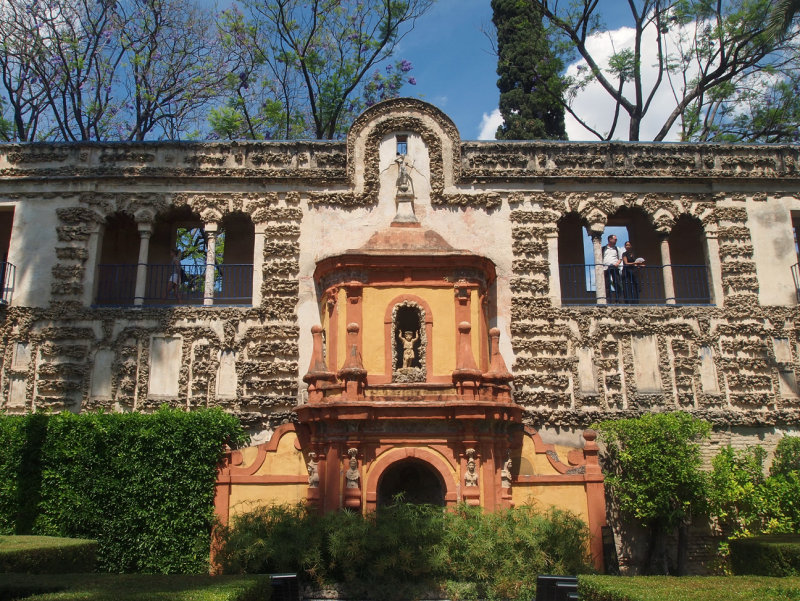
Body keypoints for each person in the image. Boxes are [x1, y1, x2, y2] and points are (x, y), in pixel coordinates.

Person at [602, 234, 623, 303]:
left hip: (614, 267)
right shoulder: (603, 249)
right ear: (610, 239)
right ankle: (608, 300)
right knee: (607, 285)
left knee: (617, 283)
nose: (616, 241)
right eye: (615, 239)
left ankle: (618, 300)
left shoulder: (617, 249)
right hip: (605, 268)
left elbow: (620, 258)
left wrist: (617, 263)